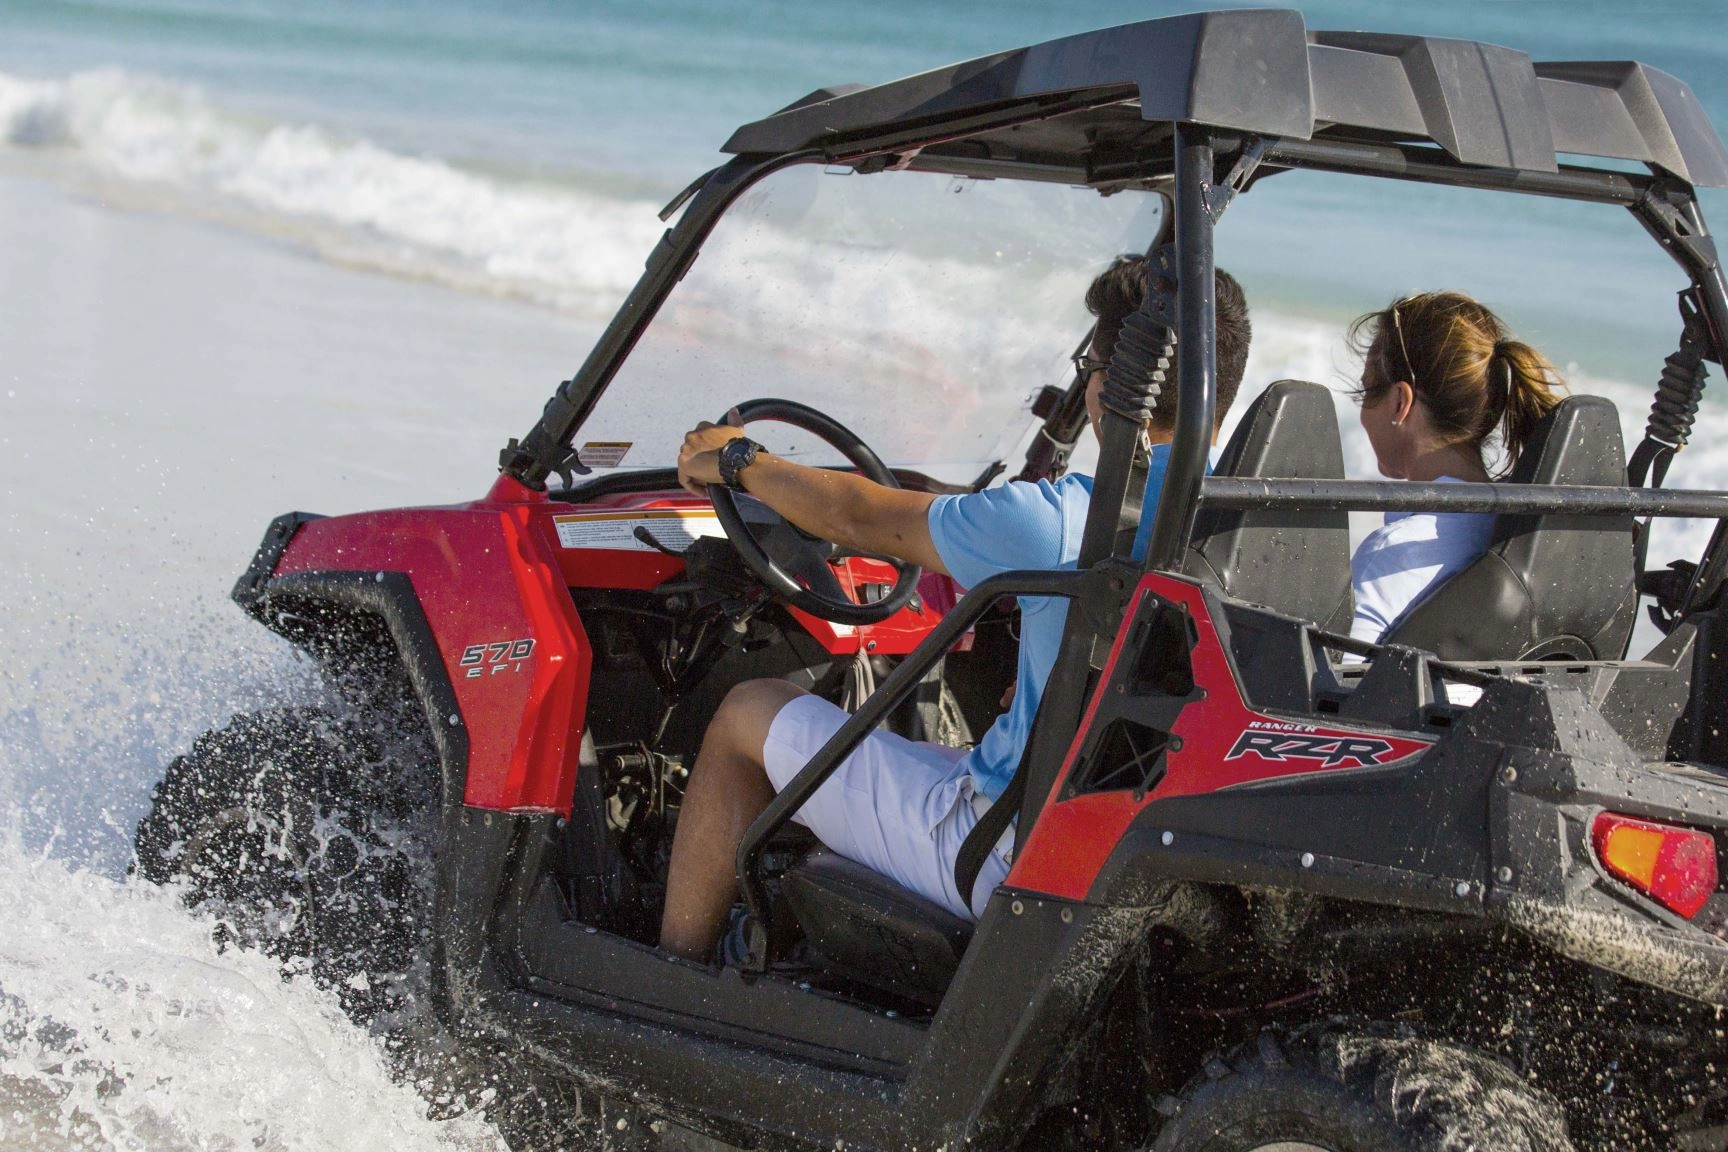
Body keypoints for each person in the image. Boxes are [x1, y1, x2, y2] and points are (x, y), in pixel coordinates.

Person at [658, 257, 1252, 962]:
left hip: (1002, 852)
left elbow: (857, 516)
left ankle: (669, 977)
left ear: (1110, 385)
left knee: (747, 713)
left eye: (1090, 365)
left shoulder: (1063, 524)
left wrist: (737, 462)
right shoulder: (1246, 525)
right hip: (1121, 845)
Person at [1347, 291, 1563, 646]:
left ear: (1400, 402)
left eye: (1367, 392)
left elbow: (1332, 676)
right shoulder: (1521, 538)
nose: (1362, 414)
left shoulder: (1395, 554)